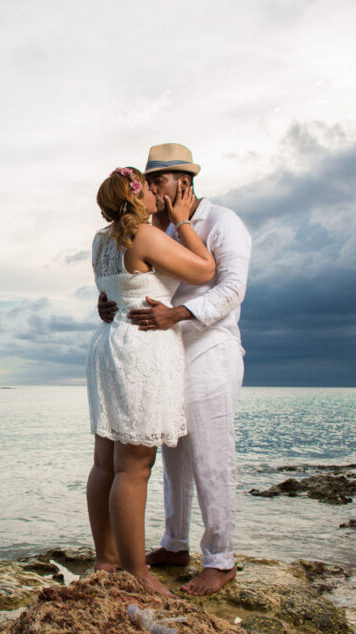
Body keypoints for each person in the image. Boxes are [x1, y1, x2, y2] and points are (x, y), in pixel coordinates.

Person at [98, 143, 252, 596]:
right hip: (162, 353)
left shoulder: (223, 222)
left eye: (156, 181)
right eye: (145, 183)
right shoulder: (149, 226)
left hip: (209, 347)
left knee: (210, 455)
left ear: (182, 182)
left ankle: (220, 560)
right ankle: (174, 543)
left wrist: (179, 315)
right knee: (171, 453)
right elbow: (134, 278)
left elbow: (232, 287)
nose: (149, 188)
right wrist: (111, 300)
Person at [86, 165, 215, 598]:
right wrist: (181, 221)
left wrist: (106, 305)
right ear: (137, 195)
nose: (157, 193)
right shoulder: (143, 235)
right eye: (149, 187)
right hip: (141, 346)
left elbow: (112, 291)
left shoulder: (101, 241)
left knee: (106, 459)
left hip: (110, 341)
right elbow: (204, 271)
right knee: (135, 466)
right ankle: (138, 573)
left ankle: (106, 560)